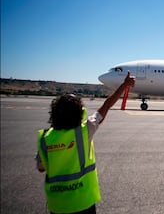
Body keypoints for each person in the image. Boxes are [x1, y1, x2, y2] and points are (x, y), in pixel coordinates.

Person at [35, 72, 135, 214]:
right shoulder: (84, 131)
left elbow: (41, 168)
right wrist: (125, 85)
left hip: (57, 206)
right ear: (80, 113)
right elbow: (106, 106)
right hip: (83, 202)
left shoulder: (44, 138)